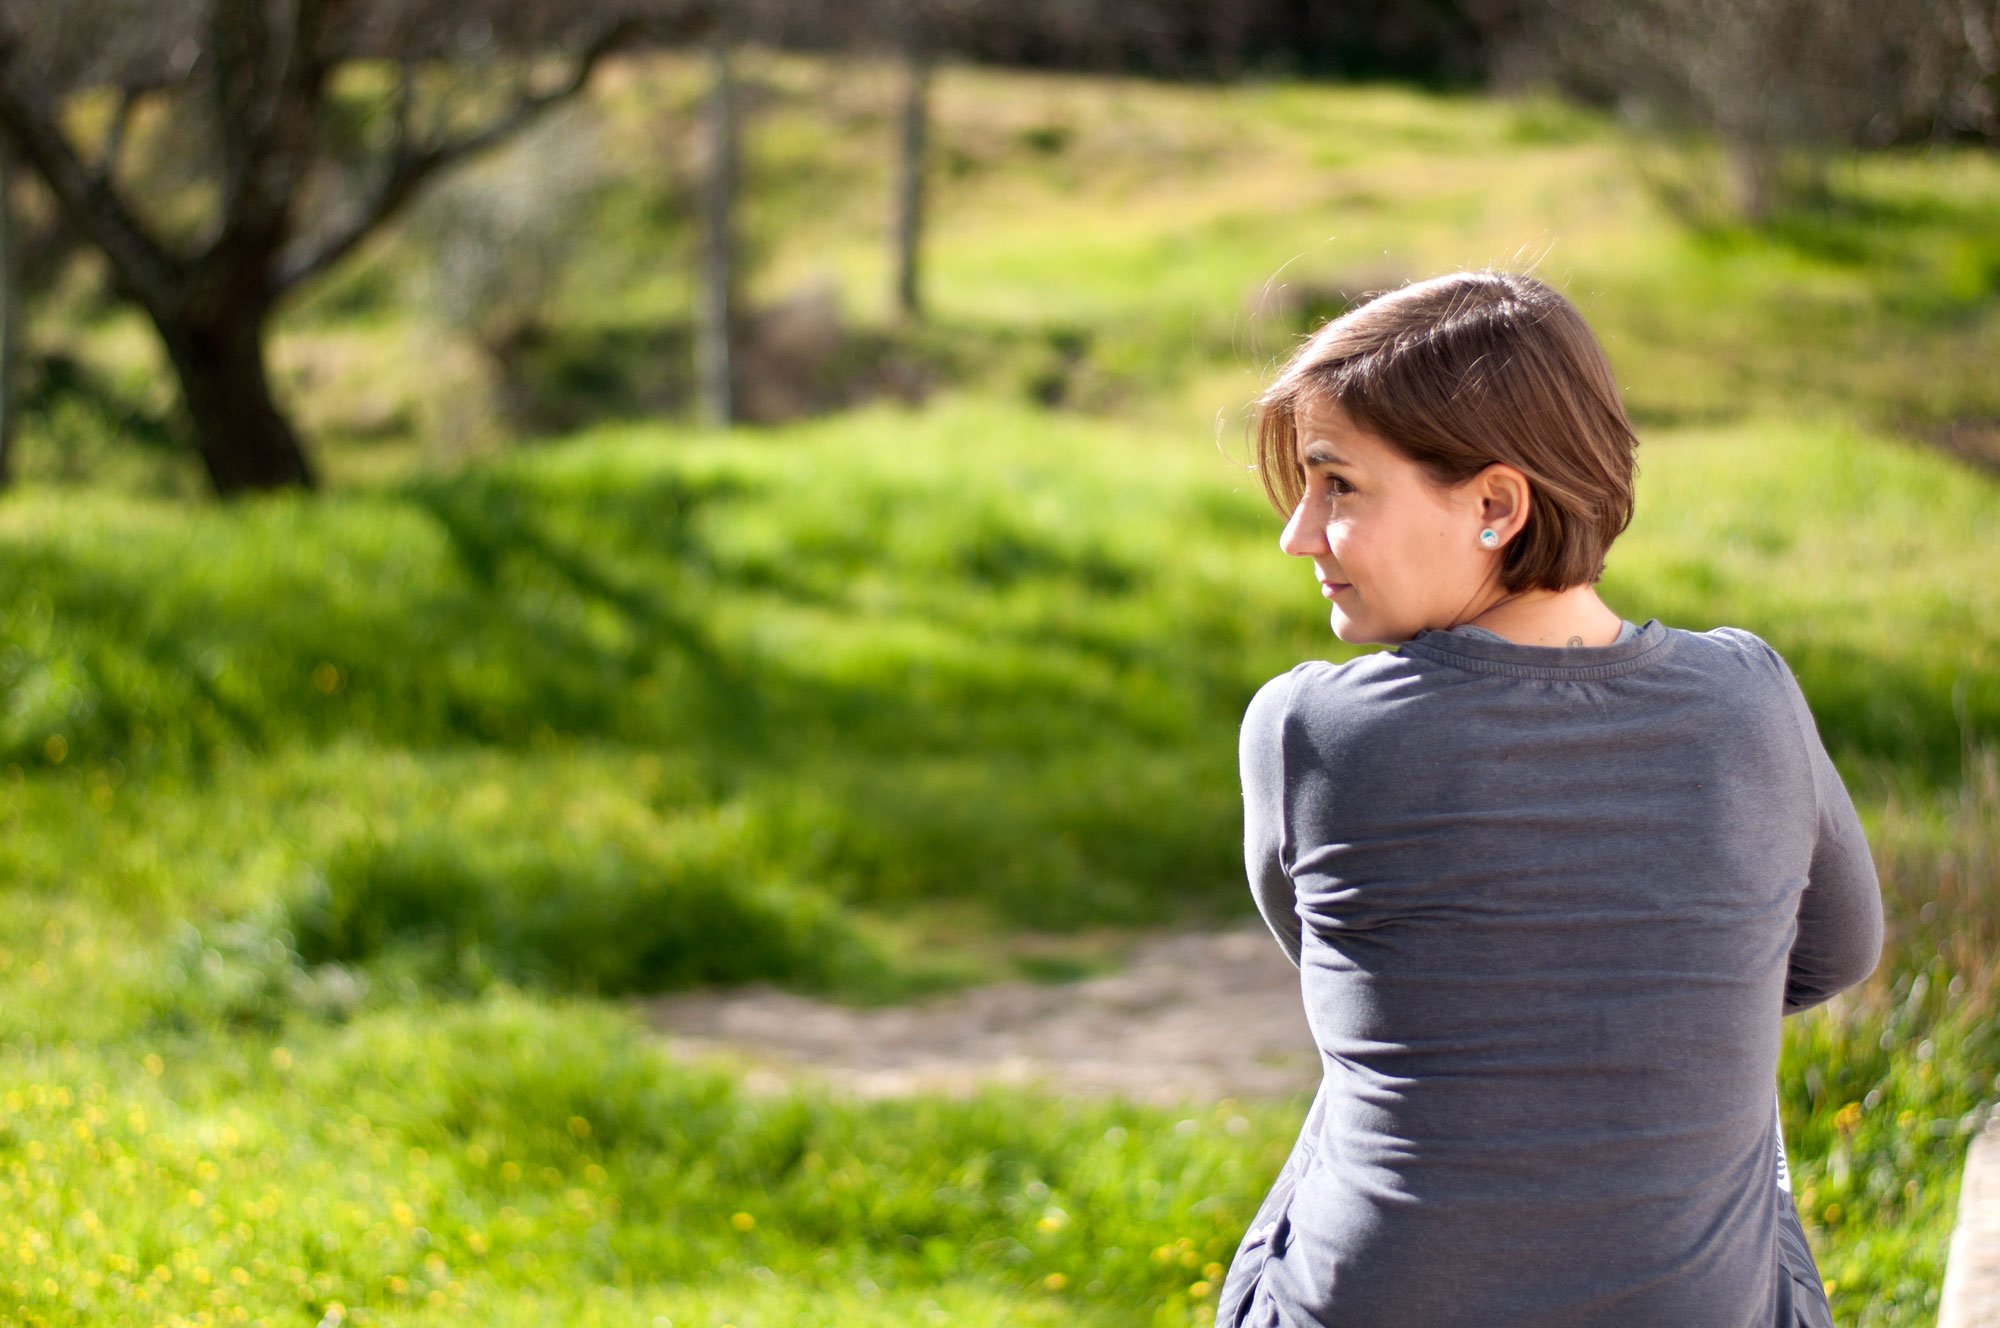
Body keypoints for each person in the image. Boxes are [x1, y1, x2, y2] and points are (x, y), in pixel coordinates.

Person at [1216, 270, 1884, 1328]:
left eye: (1336, 485)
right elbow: (1835, 954)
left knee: (1359, 1092)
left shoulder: (1308, 730)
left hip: (1363, 1303)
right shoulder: (1749, 700)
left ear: (1493, 504)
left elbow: (1340, 955)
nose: (1297, 534)